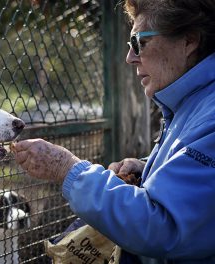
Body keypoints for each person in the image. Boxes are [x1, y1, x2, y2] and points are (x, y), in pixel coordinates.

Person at [13, 0, 215, 263]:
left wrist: (67, 168)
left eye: (139, 42)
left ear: (189, 41)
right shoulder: (191, 104)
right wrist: (147, 169)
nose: (130, 57)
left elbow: (162, 227)